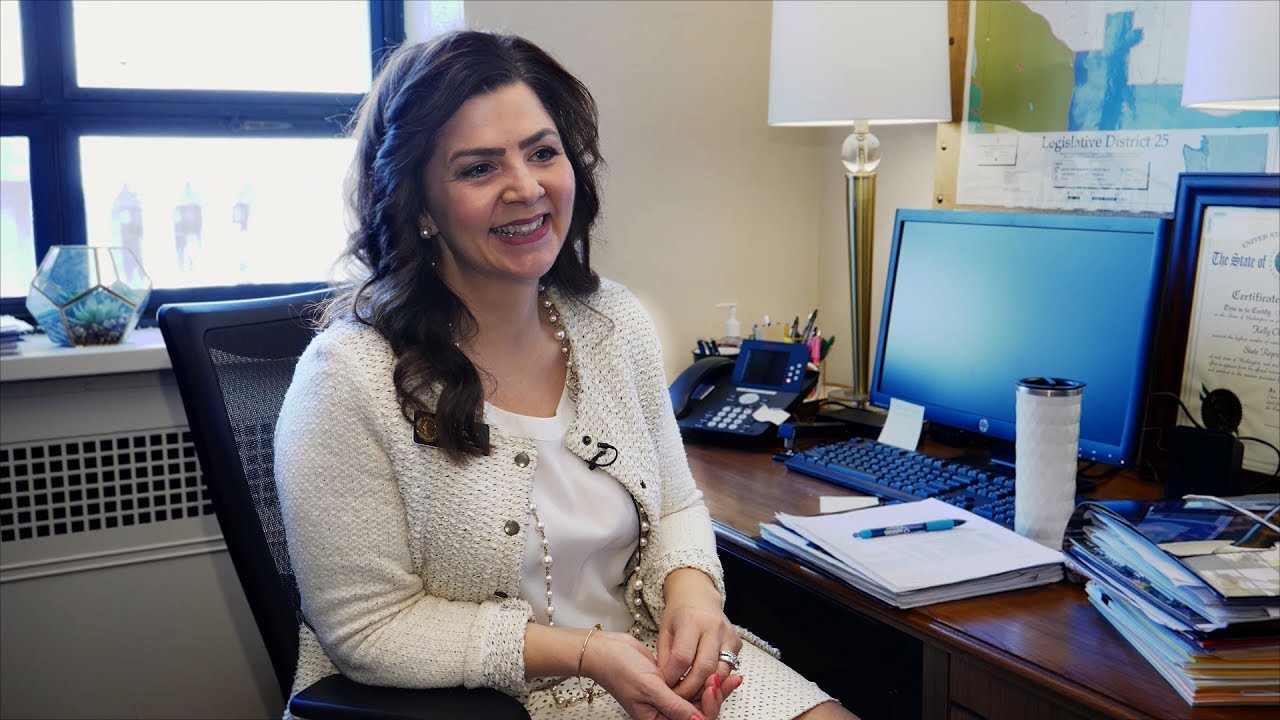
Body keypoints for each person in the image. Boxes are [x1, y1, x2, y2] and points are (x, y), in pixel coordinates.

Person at [274, 30, 857, 720]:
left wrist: (694, 597)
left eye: (543, 153)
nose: (526, 188)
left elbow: (675, 504)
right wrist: (585, 654)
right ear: (420, 207)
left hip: (652, 666)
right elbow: (369, 630)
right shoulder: (347, 378)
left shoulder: (613, 320)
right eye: (478, 169)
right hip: (478, 703)